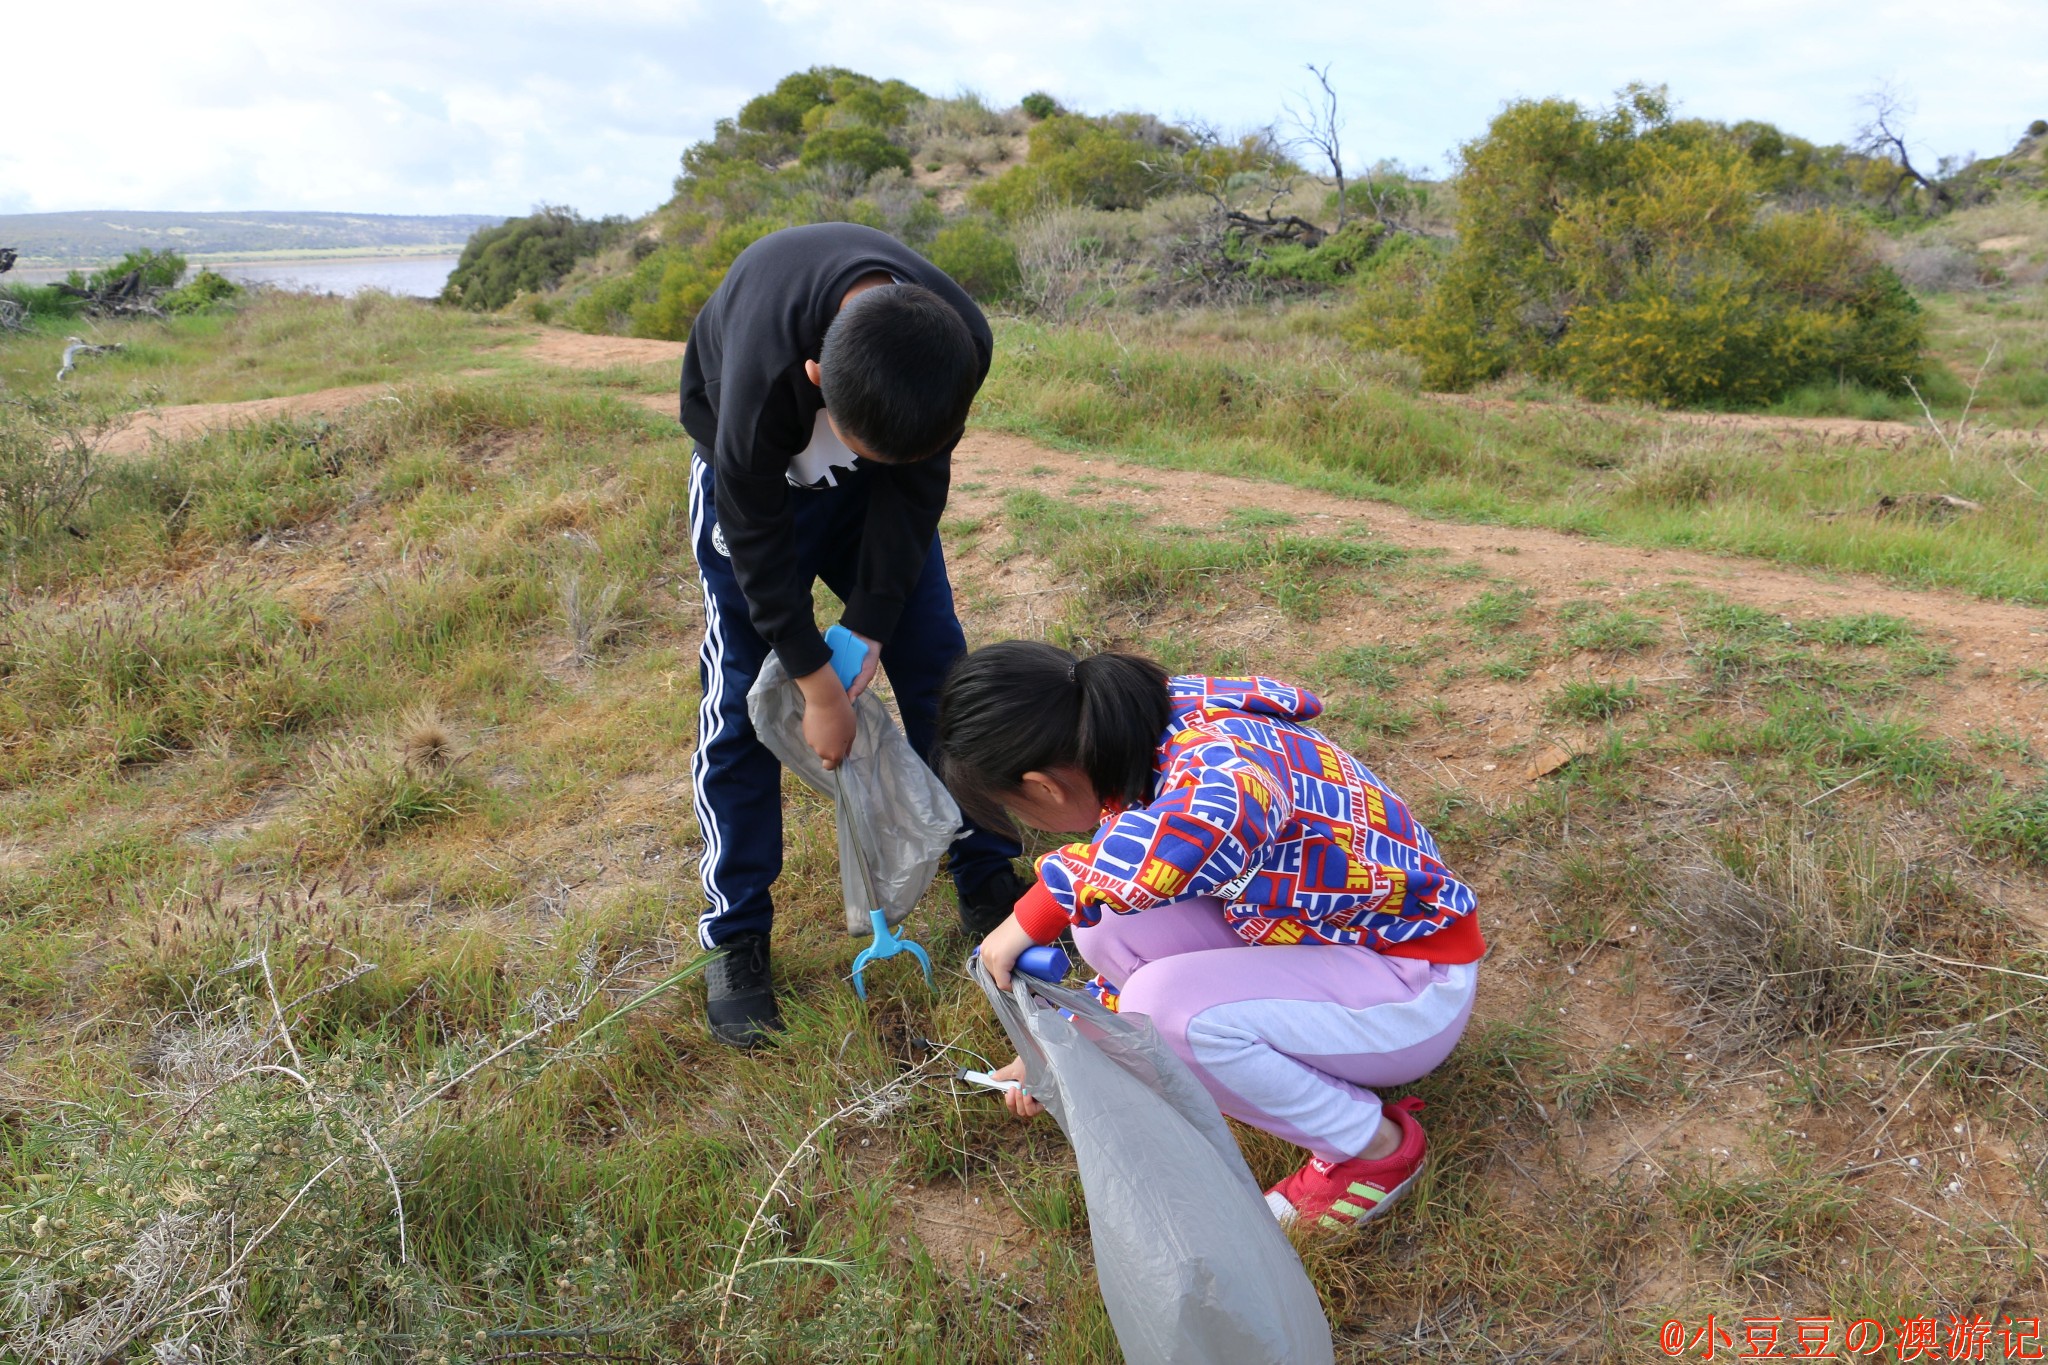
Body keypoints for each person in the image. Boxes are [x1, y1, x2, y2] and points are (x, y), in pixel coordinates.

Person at [935, 643, 1483, 1231]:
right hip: (1336, 942)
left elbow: (1207, 821)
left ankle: (1371, 1150)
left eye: (1016, 810)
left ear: (1043, 788)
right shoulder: (1148, 724)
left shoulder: (1222, 780)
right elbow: (1150, 858)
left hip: (1414, 990)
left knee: (1165, 1007)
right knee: (1108, 927)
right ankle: (1171, 1026)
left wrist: (1039, 905)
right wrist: (1067, 1041)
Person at [680, 222, 1029, 1048]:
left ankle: (985, 870)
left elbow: (916, 488)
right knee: (738, 706)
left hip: (881, 489)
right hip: (761, 490)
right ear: (817, 380)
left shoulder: (956, 339)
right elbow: (759, 548)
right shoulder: (764, 379)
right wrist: (816, 681)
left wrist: (870, 620)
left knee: (939, 665)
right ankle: (736, 934)